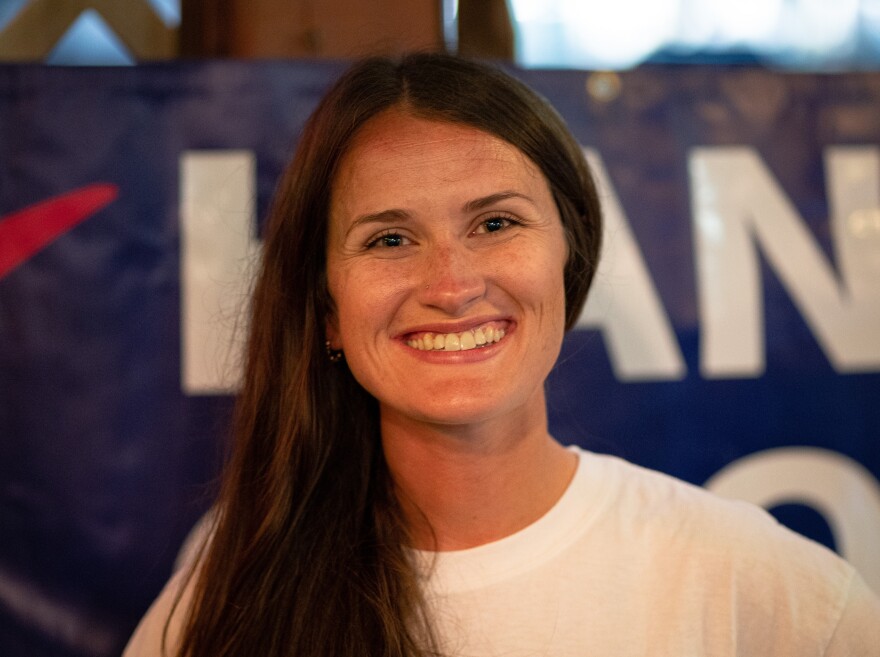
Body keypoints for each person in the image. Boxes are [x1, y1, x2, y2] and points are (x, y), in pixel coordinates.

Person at [124, 53, 880, 657]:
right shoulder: (231, 585)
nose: (452, 286)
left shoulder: (767, 588)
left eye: (495, 223)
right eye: (390, 239)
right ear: (326, 311)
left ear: (568, 255)